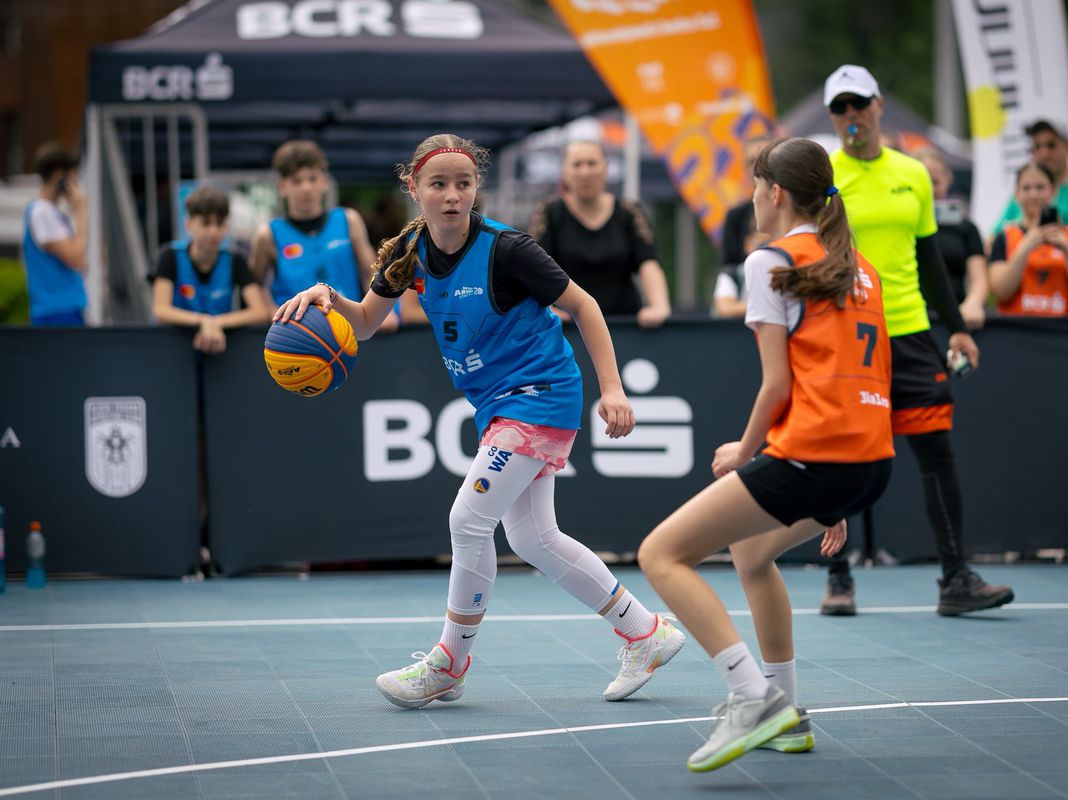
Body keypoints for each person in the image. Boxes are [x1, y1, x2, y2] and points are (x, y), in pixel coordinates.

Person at [274, 133, 685, 709]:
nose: (451, 195)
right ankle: (645, 632)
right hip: (499, 403)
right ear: (413, 188)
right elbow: (367, 323)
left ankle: (450, 662)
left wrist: (612, 389)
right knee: (534, 538)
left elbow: (585, 306)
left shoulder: (508, 249)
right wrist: (325, 297)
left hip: (540, 393)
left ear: (476, 190)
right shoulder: (407, 253)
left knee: (467, 520)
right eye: (437, 184)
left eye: (462, 184)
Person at [638, 137, 893, 773]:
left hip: (817, 453)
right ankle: (787, 712)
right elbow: (847, 375)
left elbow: (777, 386)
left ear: (774, 193)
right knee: (752, 553)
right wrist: (835, 491)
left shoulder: (769, 261)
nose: (751, 197)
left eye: (755, 185)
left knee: (661, 555)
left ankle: (753, 698)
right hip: (869, 457)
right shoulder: (859, 266)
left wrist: (744, 453)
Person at [820, 64, 1012, 617]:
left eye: (860, 104)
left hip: (910, 331)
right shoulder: (823, 175)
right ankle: (838, 578)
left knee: (936, 454)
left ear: (880, 105)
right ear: (834, 117)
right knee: (839, 455)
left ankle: (956, 579)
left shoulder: (914, 174)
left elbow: (930, 258)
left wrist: (957, 327)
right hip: (847, 334)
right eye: (841, 108)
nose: (852, 116)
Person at [251, 140, 410, 330]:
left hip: (348, 328)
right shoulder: (268, 234)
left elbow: (370, 273)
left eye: (312, 178)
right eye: (297, 181)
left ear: (325, 182)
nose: (306, 188)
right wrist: (271, 310)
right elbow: (254, 287)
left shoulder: (348, 220)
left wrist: (384, 312)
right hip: (296, 333)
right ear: (282, 187)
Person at [527, 140, 671, 327]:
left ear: (606, 167)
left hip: (624, 326)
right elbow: (532, 268)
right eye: (577, 164)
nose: (585, 172)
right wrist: (546, 308)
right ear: (565, 171)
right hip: (568, 329)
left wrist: (659, 306)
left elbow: (648, 262)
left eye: (592, 163)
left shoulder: (629, 212)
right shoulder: (549, 212)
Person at [151, 186, 272, 351]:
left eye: (220, 223)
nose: (214, 231)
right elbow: (161, 311)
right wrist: (203, 321)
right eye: (206, 223)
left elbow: (259, 312)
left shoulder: (235, 260)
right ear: (189, 224)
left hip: (220, 348)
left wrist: (214, 323)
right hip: (173, 348)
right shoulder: (170, 256)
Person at [989, 163, 1068, 316]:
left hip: (1063, 328)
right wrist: (1026, 246)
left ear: (1053, 191)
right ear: (1016, 194)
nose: (1033, 194)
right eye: (1026, 188)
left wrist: (1067, 250)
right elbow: (1001, 292)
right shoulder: (1005, 236)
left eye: (1040, 187)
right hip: (1017, 328)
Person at [913, 147, 988, 329]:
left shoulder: (966, 227)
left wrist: (974, 303)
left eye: (936, 178)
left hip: (955, 316)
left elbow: (979, 277)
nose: (932, 185)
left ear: (948, 178)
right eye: (926, 178)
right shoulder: (904, 223)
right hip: (912, 315)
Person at [992, 120, 1068, 234]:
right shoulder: (1023, 193)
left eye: (1051, 145)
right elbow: (994, 236)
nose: (1044, 152)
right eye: (1037, 146)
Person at [21, 142, 88, 326]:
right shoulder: (41, 212)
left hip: (62, 309)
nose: (76, 184)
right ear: (60, 175)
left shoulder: (51, 213)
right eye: (73, 177)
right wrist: (81, 210)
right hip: (56, 312)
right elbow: (75, 258)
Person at [713, 135, 774, 319]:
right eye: (751, 162)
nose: (757, 168)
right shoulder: (735, 216)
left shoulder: (795, 208)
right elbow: (728, 267)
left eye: (763, 160)